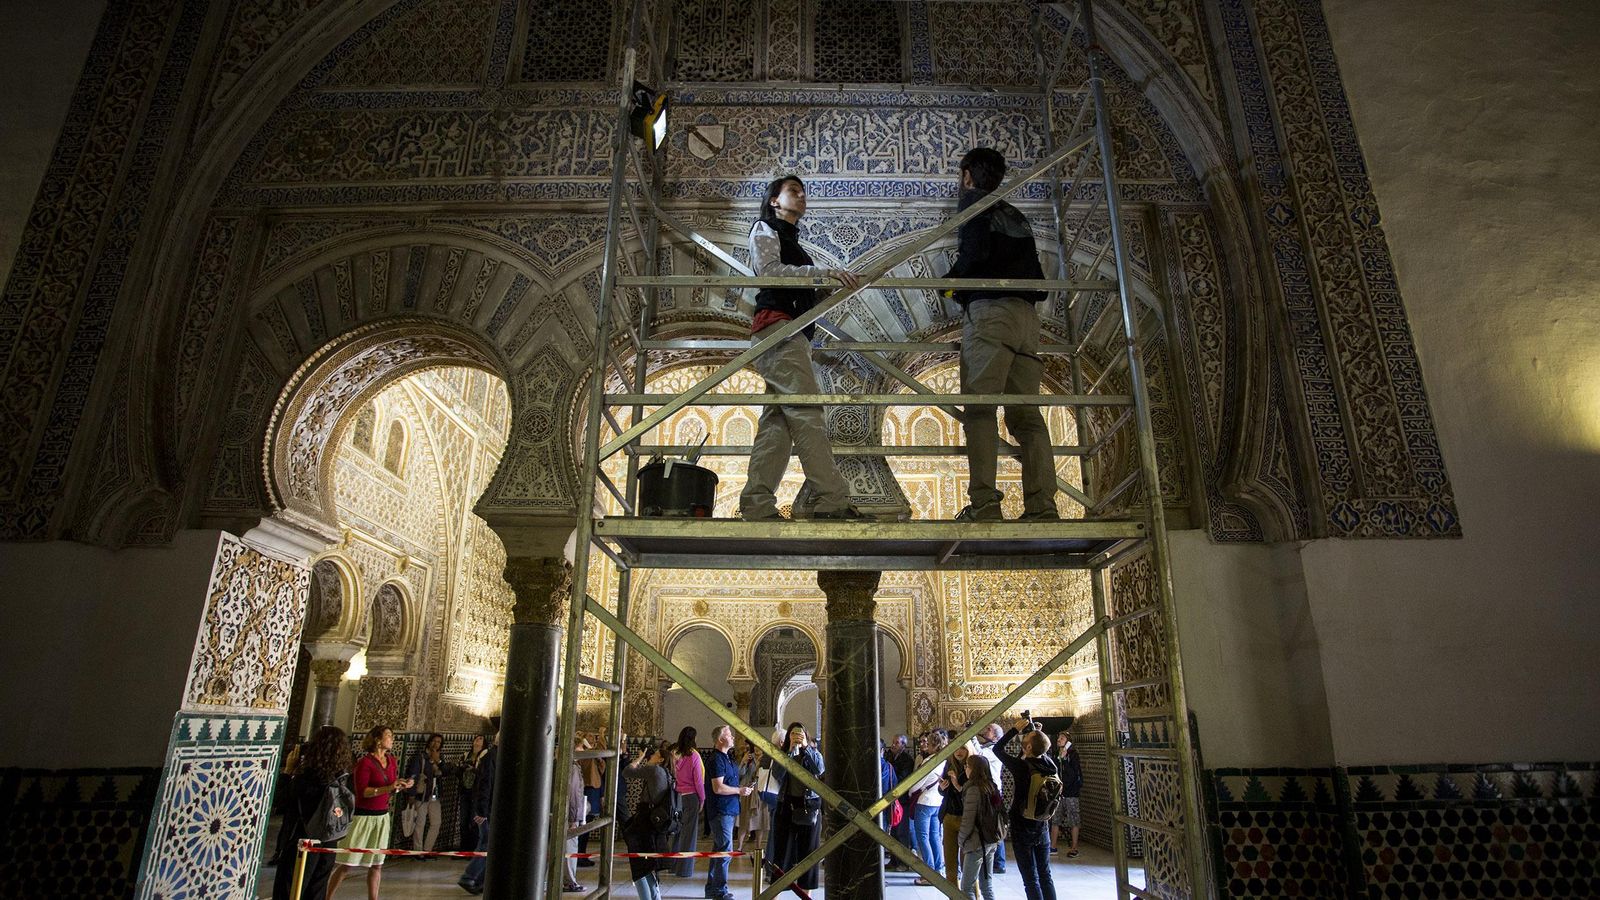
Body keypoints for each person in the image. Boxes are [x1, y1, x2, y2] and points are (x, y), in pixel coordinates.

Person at [739, 174, 866, 522]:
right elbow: (770, 271)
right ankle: (832, 500)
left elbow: (798, 282)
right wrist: (823, 273)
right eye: (793, 191)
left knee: (778, 421)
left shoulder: (792, 242)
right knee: (807, 413)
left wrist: (826, 287)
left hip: (788, 331)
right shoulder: (764, 228)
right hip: (779, 329)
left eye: (803, 191)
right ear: (774, 201)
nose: (802, 195)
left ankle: (756, 504)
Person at [943, 146, 1060, 523]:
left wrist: (950, 284)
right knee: (1026, 418)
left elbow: (974, 254)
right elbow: (1039, 281)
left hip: (991, 314)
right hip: (1027, 319)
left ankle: (985, 505)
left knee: (979, 409)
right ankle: (1043, 507)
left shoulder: (974, 204)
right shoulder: (1016, 215)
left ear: (966, 176)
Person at [328, 725, 413, 900]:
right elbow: (363, 792)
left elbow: (389, 789)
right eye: (388, 735)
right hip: (363, 816)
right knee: (347, 863)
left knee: (377, 864)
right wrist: (389, 787)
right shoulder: (364, 763)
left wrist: (399, 786)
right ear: (377, 740)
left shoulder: (391, 761)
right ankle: (327, 896)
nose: (392, 739)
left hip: (382, 817)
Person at [270, 726, 352, 900]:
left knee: (291, 891)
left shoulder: (307, 779)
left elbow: (279, 801)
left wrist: (288, 771)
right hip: (329, 843)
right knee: (316, 891)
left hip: (303, 842)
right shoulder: (342, 780)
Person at [995, 714, 1059, 900]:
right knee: (1045, 875)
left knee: (1030, 879)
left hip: (1022, 827)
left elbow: (998, 749)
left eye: (1027, 739)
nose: (1024, 740)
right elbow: (1039, 751)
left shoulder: (1022, 768)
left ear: (1029, 746)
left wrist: (1015, 729)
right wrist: (1036, 733)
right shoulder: (1050, 765)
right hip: (1042, 825)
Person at [766, 722, 824, 891]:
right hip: (786, 806)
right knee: (782, 855)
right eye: (792, 734)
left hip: (809, 807)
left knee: (809, 856)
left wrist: (805, 748)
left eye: (800, 734)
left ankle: (807, 893)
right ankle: (777, 891)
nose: (796, 736)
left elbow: (819, 770)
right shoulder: (782, 754)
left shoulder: (813, 753)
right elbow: (777, 775)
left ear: (806, 735)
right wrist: (789, 753)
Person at [619, 736, 674, 900]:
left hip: (644, 822)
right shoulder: (668, 774)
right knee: (649, 864)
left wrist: (640, 757)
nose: (651, 756)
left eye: (655, 754)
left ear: (661, 759)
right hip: (657, 824)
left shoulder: (654, 770)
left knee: (638, 866)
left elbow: (627, 771)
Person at [704, 725, 753, 900]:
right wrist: (739, 791)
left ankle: (712, 889)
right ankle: (719, 891)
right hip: (720, 810)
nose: (732, 736)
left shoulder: (728, 759)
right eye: (728, 734)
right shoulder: (716, 759)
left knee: (719, 850)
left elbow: (731, 781)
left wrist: (741, 789)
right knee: (725, 851)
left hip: (728, 810)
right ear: (719, 739)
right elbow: (718, 788)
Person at [956, 752, 1004, 900]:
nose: (965, 768)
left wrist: (961, 840)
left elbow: (968, 820)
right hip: (990, 840)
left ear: (973, 769)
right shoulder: (991, 786)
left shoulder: (973, 789)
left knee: (966, 887)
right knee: (986, 886)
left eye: (967, 766)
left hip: (976, 842)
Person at [457, 731, 498, 895]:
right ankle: (469, 877)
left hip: (490, 809)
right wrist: (482, 811)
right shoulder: (490, 757)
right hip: (486, 810)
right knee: (486, 843)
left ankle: (481, 881)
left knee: (490, 844)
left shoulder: (495, 756)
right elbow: (485, 784)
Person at [909, 732, 946, 884]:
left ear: (933, 745)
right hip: (937, 801)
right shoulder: (944, 759)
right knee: (935, 836)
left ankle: (928, 873)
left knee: (922, 837)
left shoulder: (929, 761)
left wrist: (911, 790)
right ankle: (938, 869)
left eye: (928, 744)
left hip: (925, 802)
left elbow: (918, 782)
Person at [403, 733, 446, 857]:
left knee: (436, 822)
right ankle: (418, 852)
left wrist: (438, 761)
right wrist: (411, 795)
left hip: (434, 795)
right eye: (434, 741)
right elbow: (413, 776)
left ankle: (427, 850)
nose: (436, 744)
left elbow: (446, 772)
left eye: (439, 742)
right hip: (422, 795)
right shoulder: (421, 758)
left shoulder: (439, 758)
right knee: (420, 823)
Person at [972, 723, 1008, 873]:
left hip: (992, 792)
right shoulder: (989, 747)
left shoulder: (994, 750)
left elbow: (978, 756)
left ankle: (999, 863)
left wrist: (972, 737)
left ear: (995, 736)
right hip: (988, 791)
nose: (985, 731)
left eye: (989, 729)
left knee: (995, 825)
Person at [670, 727, 706, 877]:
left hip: (679, 795)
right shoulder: (694, 755)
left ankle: (673, 865)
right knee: (689, 834)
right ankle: (684, 870)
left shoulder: (676, 754)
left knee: (679, 832)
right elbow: (698, 780)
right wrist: (702, 798)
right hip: (691, 796)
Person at [939, 741, 970, 885]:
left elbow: (973, 794)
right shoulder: (949, 766)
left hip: (966, 818)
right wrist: (942, 787)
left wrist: (957, 785)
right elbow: (944, 792)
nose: (959, 751)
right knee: (950, 864)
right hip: (949, 816)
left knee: (968, 866)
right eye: (957, 747)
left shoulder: (973, 767)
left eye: (963, 747)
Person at [1050, 730, 1083, 857]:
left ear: (1068, 741)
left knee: (1074, 820)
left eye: (1062, 738)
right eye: (1058, 737)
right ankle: (1053, 846)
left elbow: (1074, 774)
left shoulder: (1073, 755)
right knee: (1055, 819)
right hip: (1059, 793)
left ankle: (1074, 847)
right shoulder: (1055, 755)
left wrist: (1065, 760)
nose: (1059, 740)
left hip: (1071, 793)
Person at [577, 731, 607, 867]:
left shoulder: (592, 755)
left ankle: (581, 854)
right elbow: (601, 750)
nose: (592, 738)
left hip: (595, 790)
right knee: (583, 824)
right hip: (587, 789)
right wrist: (601, 735)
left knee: (588, 824)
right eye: (589, 736)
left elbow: (602, 768)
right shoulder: (584, 754)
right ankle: (578, 855)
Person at [456, 733, 488, 851]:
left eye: (481, 739)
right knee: (463, 820)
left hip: (477, 792)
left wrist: (474, 770)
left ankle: (472, 849)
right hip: (465, 791)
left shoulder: (485, 757)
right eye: (476, 738)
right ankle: (463, 848)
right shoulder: (466, 755)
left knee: (473, 821)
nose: (477, 741)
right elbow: (459, 773)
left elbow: (484, 774)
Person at [736, 743, 769, 854]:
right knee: (744, 819)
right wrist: (743, 762)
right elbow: (739, 774)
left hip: (760, 792)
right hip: (747, 791)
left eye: (759, 750)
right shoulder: (749, 759)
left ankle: (758, 846)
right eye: (755, 750)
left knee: (759, 821)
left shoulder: (766, 760)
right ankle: (739, 846)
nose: (757, 752)